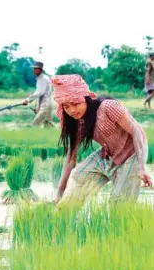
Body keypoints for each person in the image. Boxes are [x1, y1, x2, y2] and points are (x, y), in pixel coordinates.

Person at [50, 74, 152, 207]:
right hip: (108, 154)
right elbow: (70, 158)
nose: (72, 110)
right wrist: (59, 192)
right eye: (66, 106)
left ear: (86, 99)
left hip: (133, 154)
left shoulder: (107, 107)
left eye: (75, 104)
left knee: (119, 203)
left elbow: (137, 131)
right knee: (79, 176)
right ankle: (64, 216)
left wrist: (142, 167)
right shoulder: (78, 122)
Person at [22, 61, 54, 127]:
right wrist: (37, 108)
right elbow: (40, 95)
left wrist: (28, 100)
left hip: (46, 105)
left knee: (34, 125)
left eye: (35, 69)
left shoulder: (43, 79)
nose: (33, 70)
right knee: (48, 126)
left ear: (40, 70)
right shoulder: (41, 79)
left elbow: (39, 92)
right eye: (34, 68)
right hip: (45, 105)